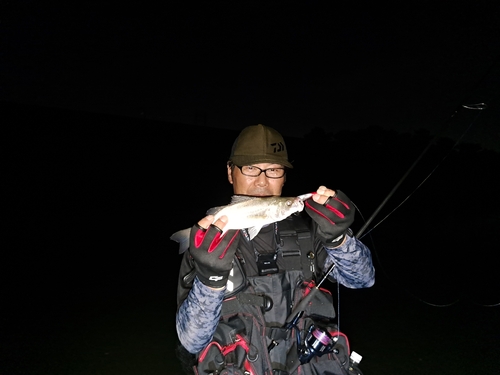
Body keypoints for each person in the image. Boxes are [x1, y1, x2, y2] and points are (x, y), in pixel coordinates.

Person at [173, 124, 375, 375]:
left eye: (274, 170)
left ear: (284, 176)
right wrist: (211, 280)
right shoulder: (207, 244)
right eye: (250, 168)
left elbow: (362, 279)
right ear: (230, 172)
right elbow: (191, 340)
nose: (261, 180)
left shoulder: (309, 229)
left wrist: (339, 240)